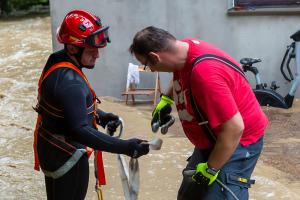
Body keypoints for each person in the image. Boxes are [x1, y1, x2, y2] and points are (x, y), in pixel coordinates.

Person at [129, 26, 268, 200]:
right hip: (212, 137)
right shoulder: (184, 51)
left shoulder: (205, 75)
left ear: (155, 57)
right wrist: (167, 99)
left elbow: (234, 129)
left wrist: (210, 169)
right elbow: (180, 71)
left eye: (148, 65)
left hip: (237, 142)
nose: (151, 69)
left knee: (217, 195)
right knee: (189, 194)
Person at [33, 10, 149, 200]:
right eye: (91, 49)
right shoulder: (70, 81)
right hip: (69, 162)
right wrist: (126, 147)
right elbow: (80, 130)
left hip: (53, 154)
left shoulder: (57, 61)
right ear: (72, 48)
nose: (98, 55)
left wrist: (100, 116)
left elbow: (66, 108)